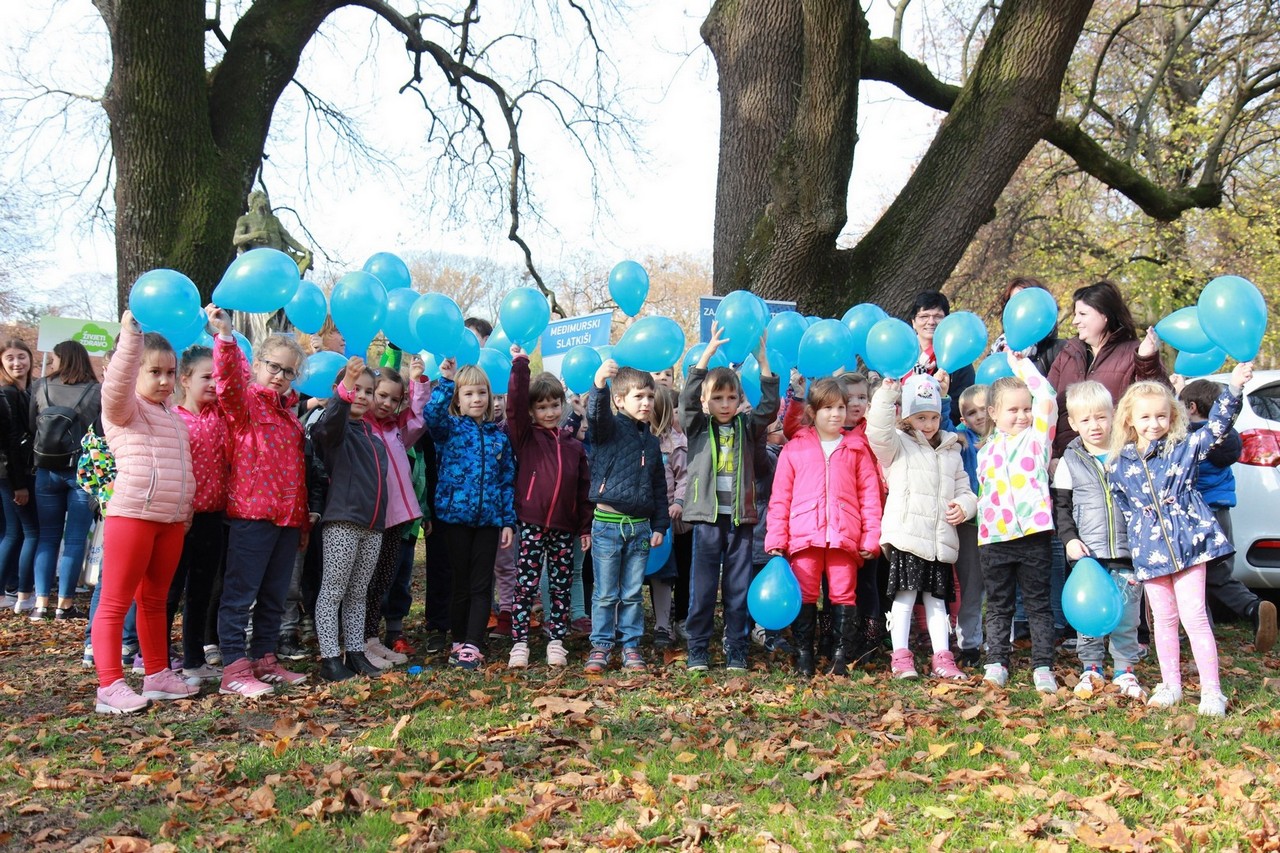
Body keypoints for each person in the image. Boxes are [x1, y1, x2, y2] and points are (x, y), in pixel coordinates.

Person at [1108, 359, 1254, 717]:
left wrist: (1233, 389)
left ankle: (1211, 692)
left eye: (1161, 416)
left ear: (1172, 416)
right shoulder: (1118, 463)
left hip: (1189, 545)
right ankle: (1170, 684)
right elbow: (1124, 505)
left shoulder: (1184, 447)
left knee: (1195, 617)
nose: (1154, 423)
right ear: (1129, 419)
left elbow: (1218, 427)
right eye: (1145, 417)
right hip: (1151, 552)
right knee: (1163, 619)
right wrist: (1138, 539)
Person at [90, 314, 197, 714]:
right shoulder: (124, 408)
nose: (166, 381)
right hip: (133, 516)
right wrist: (130, 340)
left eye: (171, 372)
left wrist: (184, 509)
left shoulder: (172, 415)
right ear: (132, 370)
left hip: (169, 522)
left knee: (155, 600)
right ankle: (109, 685)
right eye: (155, 372)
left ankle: (157, 674)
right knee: (115, 602)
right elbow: (117, 386)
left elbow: (182, 466)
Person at [206, 304, 311, 697]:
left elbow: (296, 472)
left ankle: (265, 659)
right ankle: (234, 667)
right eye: (274, 366)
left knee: (274, 594)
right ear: (258, 364)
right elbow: (227, 383)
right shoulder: (244, 404)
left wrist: (301, 520)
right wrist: (226, 338)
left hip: (285, 520)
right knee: (239, 595)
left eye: (288, 371)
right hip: (251, 515)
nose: (280, 376)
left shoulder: (290, 416)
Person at [681, 322, 780, 672]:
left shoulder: (746, 427)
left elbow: (769, 408)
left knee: (738, 589)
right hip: (708, 520)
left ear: (740, 400)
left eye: (731, 398)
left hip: (740, 520)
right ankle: (698, 648)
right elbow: (686, 401)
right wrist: (705, 356)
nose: (725, 404)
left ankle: (736, 646)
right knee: (703, 589)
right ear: (706, 401)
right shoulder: (697, 428)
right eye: (717, 398)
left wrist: (764, 363)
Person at [768, 378, 881, 677]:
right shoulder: (795, 449)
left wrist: (871, 538)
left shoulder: (856, 448)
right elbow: (780, 498)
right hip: (804, 537)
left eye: (841, 407)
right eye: (828, 408)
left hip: (845, 537)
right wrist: (777, 540)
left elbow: (869, 497)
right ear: (813, 411)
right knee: (805, 594)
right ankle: (804, 654)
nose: (836, 414)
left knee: (844, 594)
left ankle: (839, 656)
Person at [866, 373, 976, 680]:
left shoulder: (952, 450)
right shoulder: (898, 446)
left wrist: (965, 506)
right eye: (920, 417)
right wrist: (887, 396)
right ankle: (901, 657)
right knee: (905, 597)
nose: (928, 425)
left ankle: (942, 657)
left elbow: (965, 490)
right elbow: (877, 431)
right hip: (907, 537)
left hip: (939, 539)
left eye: (933, 417)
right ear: (907, 417)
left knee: (937, 601)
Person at [1051, 381, 1146, 701]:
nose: (1095, 425)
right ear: (1074, 423)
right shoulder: (1070, 460)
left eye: (1101, 417)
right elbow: (1061, 508)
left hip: (1127, 552)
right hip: (1087, 555)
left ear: (1113, 415)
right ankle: (1091, 668)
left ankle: (1125, 670)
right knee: (1089, 615)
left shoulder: (1129, 453)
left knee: (1127, 615)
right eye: (1086, 419)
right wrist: (1069, 540)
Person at [424, 358, 516, 671]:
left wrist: (507, 521)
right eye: (469, 394)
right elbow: (431, 416)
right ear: (458, 400)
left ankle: (474, 645)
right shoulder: (449, 430)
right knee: (459, 584)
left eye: (482, 393)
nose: (476, 399)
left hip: (489, 521)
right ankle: (459, 639)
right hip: (454, 519)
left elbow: (506, 482)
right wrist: (445, 382)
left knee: (481, 585)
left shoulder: (498, 437)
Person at [977, 351, 1059, 692]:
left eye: (1026, 408)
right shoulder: (984, 451)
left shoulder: (1037, 440)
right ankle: (996, 661)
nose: (1023, 416)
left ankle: (1043, 666)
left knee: (1038, 603)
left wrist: (1022, 365)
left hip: (1033, 535)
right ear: (994, 413)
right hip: (994, 539)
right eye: (1013, 410)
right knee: (998, 604)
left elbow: (1048, 398)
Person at [505, 346, 591, 668]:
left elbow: (583, 491)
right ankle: (520, 643)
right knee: (526, 584)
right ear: (532, 410)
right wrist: (521, 365)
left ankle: (556, 639)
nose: (550, 412)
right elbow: (513, 407)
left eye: (555, 405)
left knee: (561, 584)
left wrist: (585, 526)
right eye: (542, 407)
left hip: (564, 527)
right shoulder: (525, 437)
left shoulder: (574, 447)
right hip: (530, 521)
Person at [1178, 378, 1276, 654]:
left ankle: (1200, 632)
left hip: (1194, 514)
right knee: (1218, 574)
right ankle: (1254, 608)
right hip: (1221, 512)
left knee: (1190, 574)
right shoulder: (1226, 437)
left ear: (1192, 407)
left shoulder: (1192, 438)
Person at [584, 359, 668, 673]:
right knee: (606, 592)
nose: (646, 402)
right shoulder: (608, 430)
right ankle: (601, 646)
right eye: (638, 397)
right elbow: (595, 415)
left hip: (640, 529)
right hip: (607, 526)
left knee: (632, 593)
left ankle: (631, 646)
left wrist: (660, 523)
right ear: (620, 401)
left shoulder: (651, 441)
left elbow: (659, 485)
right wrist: (599, 384)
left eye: (650, 396)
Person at [310, 356, 390, 681]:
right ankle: (330, 657)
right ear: (340, 391)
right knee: (333, 590)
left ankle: (355, 653)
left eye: (367, 391)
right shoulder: (336, 431)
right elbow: (326, 426)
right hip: (342, 521)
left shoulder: (373, 438)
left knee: (359, 591)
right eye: (354, 389)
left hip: (372, 527)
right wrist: (342, 392)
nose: (361, 395)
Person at [360, 362, 430, 669]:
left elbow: (416, 419)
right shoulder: (361, 425)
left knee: (383, 581)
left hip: (397, 517)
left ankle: (372, 639)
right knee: (364, 581)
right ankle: (358, 640)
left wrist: (417, 383)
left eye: (394, 399)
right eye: (381, 396)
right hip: (370, 515)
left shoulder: (396, 429)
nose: (386, 404)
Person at [1047, 281, 1168, 457]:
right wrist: (1053, 455)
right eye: (1075, 314)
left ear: (1104, 315)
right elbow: (1049, 407)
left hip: (1117, 458)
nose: (1074, 321)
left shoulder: (1134, 352)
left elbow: (1160, 399)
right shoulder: (1067, 353)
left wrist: (1147, 360)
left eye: (1082, 314)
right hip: (1067, 458)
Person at [28, 339, 101, 620]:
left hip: (45, 470)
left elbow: (33, 426)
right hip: (80, 472)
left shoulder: (41, 387)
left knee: (47, 538)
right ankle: (65, 605)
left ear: (62, 359)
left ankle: (40, 603)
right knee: (74, 540)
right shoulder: (96, 391)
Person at [172, 346, 232, 683]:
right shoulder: (174, 418)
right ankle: (159, 661)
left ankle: (194, 659)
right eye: (206, 377)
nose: (213, 383)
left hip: (213, 517)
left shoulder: (220, 415)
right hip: (180, 520)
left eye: (217, 377)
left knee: (202, 590)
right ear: (185, 380)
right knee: (171, 591)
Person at [952, 383, 990, 668]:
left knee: (1001, 585)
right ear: (963, 418)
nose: (979, 417)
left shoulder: (1007, 437)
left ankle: (1002, 638)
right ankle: (970, 644)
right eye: (971, 413)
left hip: (1001, 522)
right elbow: (938, 428)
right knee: (971, 585)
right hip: (970, 523)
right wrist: (942, 396)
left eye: (983, 409)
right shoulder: (961, 439)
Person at [0, 339, 38, 613]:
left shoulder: (27, 390)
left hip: (18, 473)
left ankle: (11, 586)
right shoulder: (7, 394)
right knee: (17, 533)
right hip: (10, 475)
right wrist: (19, 485)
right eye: (10, 358)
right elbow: (11, 442)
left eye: (21, 357)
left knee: (14, 533)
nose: (17, 363)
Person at [647, 386, 686, 652]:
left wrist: (679, 502)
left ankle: (663, 625)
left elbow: (684, 476)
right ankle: (623, 624)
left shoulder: (675, 444)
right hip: (636, 516)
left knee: (662, 574)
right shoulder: (635, 440)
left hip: (664, 518)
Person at [906, 291, 975, 412]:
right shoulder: (902, 355)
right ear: (913, 322)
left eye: (938, 317)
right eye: (924, 316)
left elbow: (965, 403)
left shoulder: (958, 359)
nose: (931, 322)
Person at [990, 277, 1068, 377]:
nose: (1019, 308)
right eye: (1013, 302)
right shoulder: (997, 350)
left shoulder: (1060, 351)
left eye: (1024, 301)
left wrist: (1023, 368)